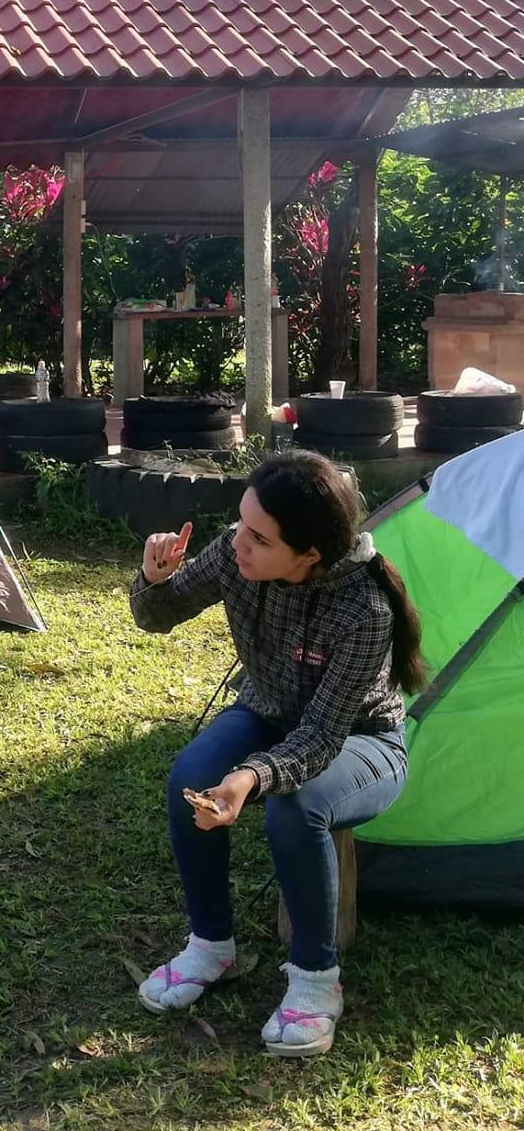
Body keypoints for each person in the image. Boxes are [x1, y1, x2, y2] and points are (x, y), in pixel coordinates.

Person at [129, 451, 426, 1058]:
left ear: (309, 555)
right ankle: (212, 944)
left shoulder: (362, 611)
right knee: (188, 775)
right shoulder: (235, 555)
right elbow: (156, 617)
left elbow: (319, 738)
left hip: (360, 740)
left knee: (296, 806)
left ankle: (317, 979)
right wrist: (155, 578)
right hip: (264, 712)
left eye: (260, 537)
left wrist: (247, 779)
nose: (239, 542)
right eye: (240, 523)